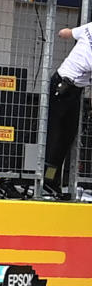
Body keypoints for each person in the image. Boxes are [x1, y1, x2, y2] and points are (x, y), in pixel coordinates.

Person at [41, 23, 92, 198]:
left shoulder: (91, 28)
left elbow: (66, 32)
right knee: (55, 136)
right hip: (62, 86)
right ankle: (44, 181)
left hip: (74, 90)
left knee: (67, 137)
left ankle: (51, 179)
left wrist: (61, 33)